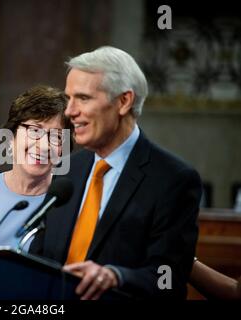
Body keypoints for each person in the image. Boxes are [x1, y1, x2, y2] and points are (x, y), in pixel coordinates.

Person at [29, 46, 203, 299]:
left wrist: (115, 276)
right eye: (69, 98)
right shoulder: (67, 170)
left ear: (124, 101)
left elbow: (169, 278)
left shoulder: (174, 179)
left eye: (83, 98)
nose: (69, 111)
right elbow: (40, 255)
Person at [0, 85, 73, 249]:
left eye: (56, 137)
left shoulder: (67, 203)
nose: (44, 146)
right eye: (35, 130)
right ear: (11, 136)